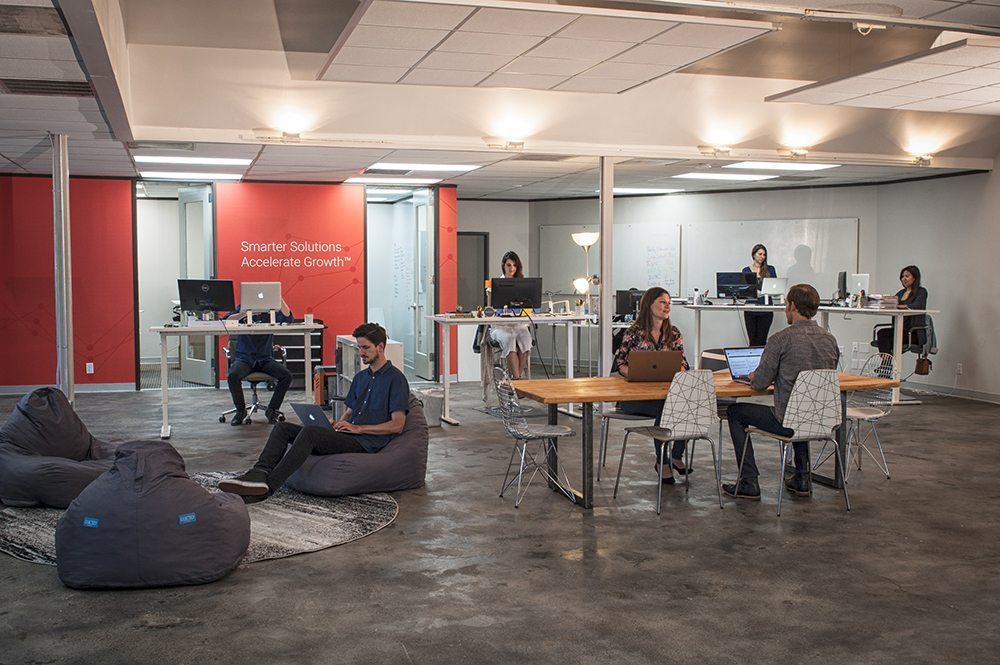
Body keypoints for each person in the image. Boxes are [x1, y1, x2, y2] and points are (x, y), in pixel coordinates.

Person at [220, 323, 410, 502]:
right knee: (282, 428)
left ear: (380, 347)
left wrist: (358, 428)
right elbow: (350, 410)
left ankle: (268, 487)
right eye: (359, 348)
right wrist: (336, 422)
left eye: (366, 348)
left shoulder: (396, 380)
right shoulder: (361, 377)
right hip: (348, 434)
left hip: (366, 442)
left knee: (310, 433)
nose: (361, 353)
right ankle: (258, 473)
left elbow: (397, 425)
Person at [724, 283, 840, 500]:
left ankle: (749, 480)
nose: (785, 308)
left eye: (786, 304)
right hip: (822, 419)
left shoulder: (780, 339)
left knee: (734, 412)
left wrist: (755, 376)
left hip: (786, 421)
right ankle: (802, 477)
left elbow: (759, 384)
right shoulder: (830, 340)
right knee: (803, 410)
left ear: (792, 305)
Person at [611, 287, 691, 484]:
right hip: (634, 397)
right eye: (662, 302)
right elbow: (620, 364)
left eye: (669, 302)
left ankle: (676, 456)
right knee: (667, 409)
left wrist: (677, 370)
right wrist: (637, 373)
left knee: (687, 405)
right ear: (649, 305)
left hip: (665, 393)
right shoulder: (634, 332)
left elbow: (685, 364)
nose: (667, 306)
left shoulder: (673, 333)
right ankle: (662, 462)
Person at [225, 297, 294, 425]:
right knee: (233, 376)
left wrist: (278, 297)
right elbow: (225, 321)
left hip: (265, 358)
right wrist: (243, 314)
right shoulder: (242, 309)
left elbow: (288, 318)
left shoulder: (270, 313)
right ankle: (240, 411)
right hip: (245, 358)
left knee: (286, 376)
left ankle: (272, 410)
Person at [489, 251, 533, 379]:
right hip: (500, 327)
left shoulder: (523, 285)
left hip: (519, 325)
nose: (511, 268)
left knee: (526, 340)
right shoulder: (494, 285)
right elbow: (490, 310)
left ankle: (515, 380)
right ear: (503, 266)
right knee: (510, 339)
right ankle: (518, 380)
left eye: (514, 265)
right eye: (509, 265)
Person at [875, 265, 928, 354]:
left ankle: (887, 364)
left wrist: (901, 306)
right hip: (899, 329)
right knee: (882, 333)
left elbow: (917, 305)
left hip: (913, 333)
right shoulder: (901, 292)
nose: (904, 279)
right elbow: (892, 302)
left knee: (888, 339)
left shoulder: (921, 292)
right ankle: (887, 363)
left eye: (907, 276)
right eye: (902, 277)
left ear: (915, 278)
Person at [743, 243, 777, 347]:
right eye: (760, 254)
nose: (762, 257)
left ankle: (762, 362)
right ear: (754, 255)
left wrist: (762, 292)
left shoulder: (770, 269)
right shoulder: (746, 270)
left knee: (762, 340)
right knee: (752, 341)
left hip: (766, 308)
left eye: (764, 255)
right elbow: (744, 289)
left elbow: (775, 287)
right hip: (750, 308)